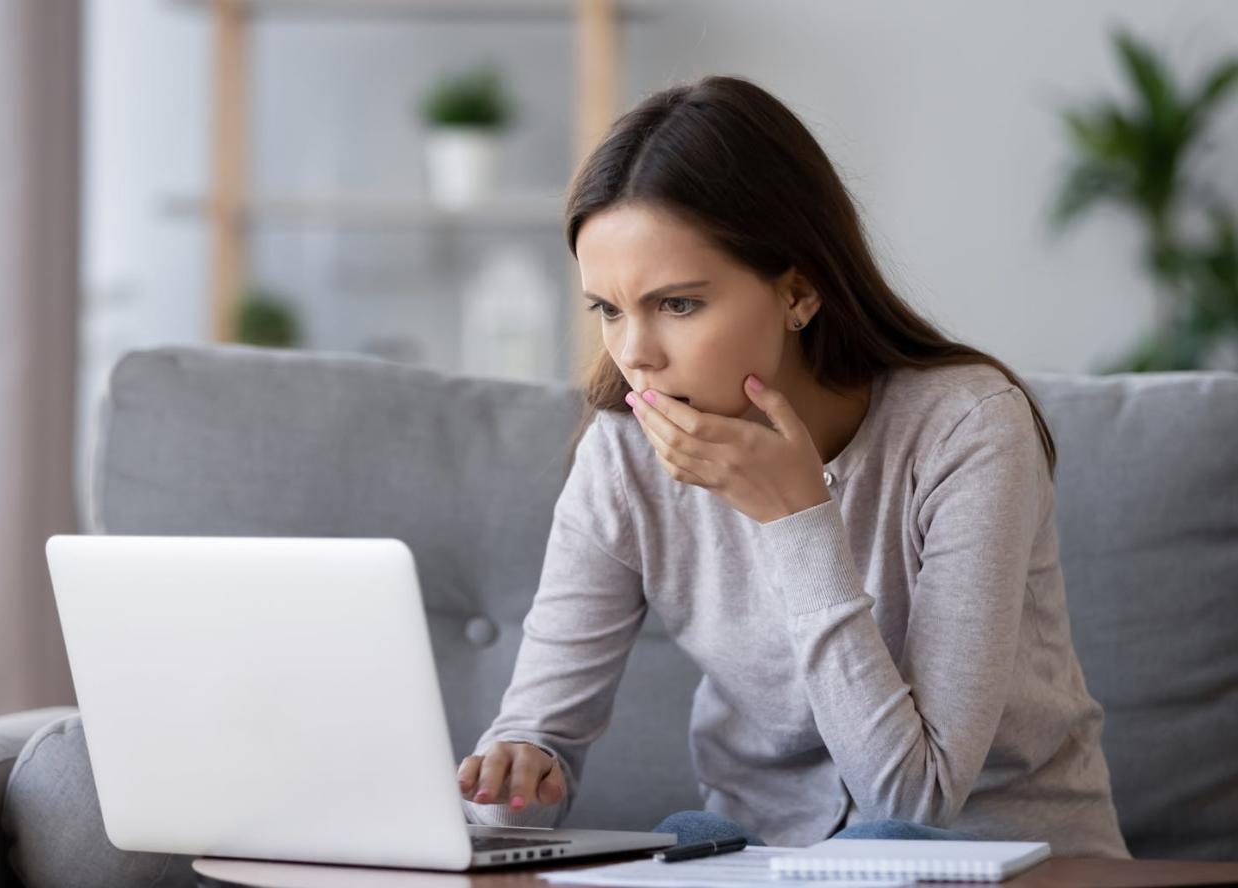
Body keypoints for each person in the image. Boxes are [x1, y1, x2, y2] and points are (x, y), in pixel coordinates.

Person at [455, 74, 1129, 857]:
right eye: (607, 309)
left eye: (677, 304)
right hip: (762, 860)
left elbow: (911, 800)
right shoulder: (623, 456)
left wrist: (797, 522)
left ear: (799, 291)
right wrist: (518, 771)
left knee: (881, 834)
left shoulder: (967, 429)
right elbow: (532, 753)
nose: (634, 354)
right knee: (687, 839)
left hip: (1000, 855)